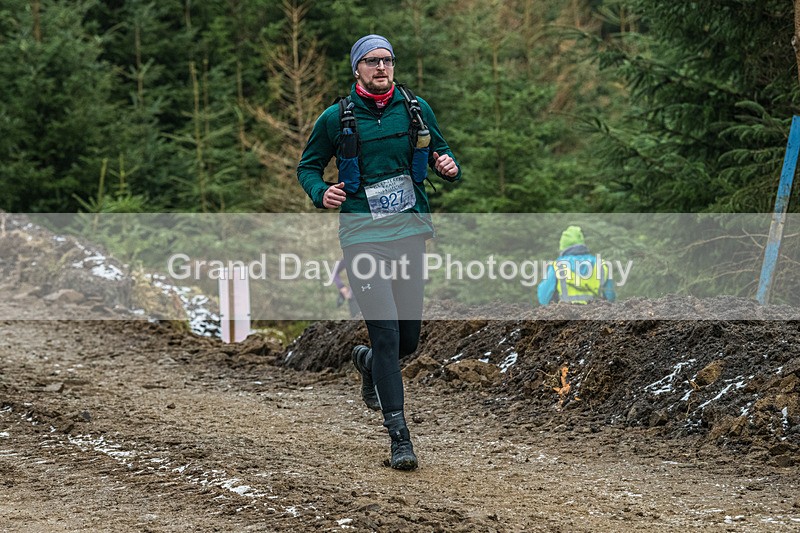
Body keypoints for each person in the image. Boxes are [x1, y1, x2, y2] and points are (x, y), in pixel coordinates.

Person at [297, 34, 461, 470]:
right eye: (372, 61)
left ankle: (367, 362)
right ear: (358, 69)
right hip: (362, 237)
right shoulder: (335, 118)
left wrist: (449, 165)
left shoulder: (415, 109)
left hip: (409, 232)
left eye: (387, 60)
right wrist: (320, 191)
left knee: (407, 339)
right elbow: (307, 167)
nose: (381, 67)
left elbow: (441, 150)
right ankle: (399, 437)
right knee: (386, 334)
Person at [537, 225, 616, 305]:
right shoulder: (600, 265)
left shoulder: (557, 266)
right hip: (596, 314)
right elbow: (610, 296)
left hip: (564, 314)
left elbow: (544, 297)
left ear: (563, 246)